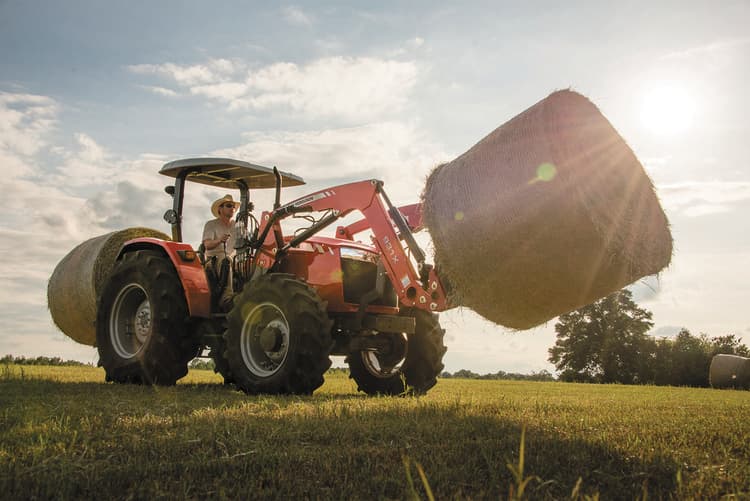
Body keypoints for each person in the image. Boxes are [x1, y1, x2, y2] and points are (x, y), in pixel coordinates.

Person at [202, 194, 240, 310]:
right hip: (214, 258)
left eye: (233, 207)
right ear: (220, 209)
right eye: (229, 206)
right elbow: (207, 245)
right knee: (225, 260)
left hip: (234, 257)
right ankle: (226, 299)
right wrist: (219, 240)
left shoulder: (236, 225)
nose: (232, 209)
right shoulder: (211, 224)